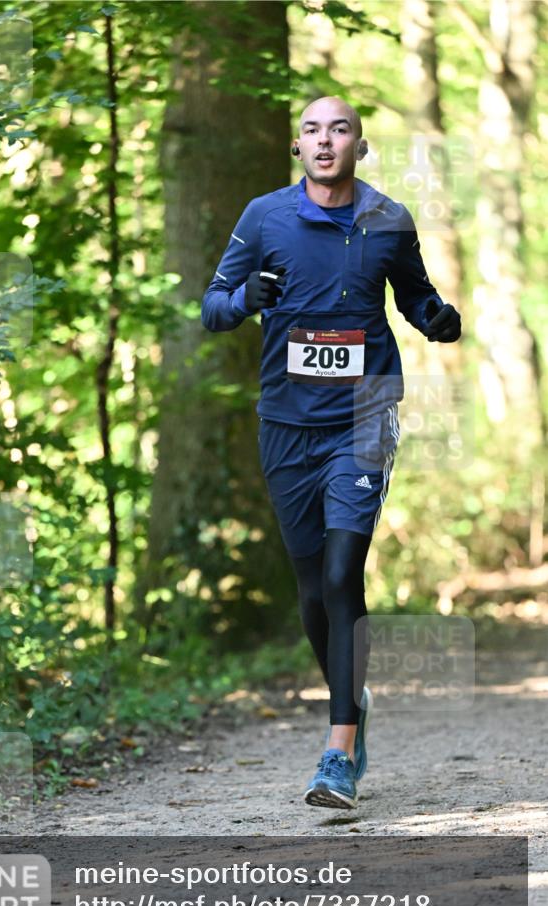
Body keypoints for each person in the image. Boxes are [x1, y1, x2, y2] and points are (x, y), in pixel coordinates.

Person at [201, 96, 461, 809]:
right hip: (287, 422)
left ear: (359, 146)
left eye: (339, 129)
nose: (325, 140)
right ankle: (354, 698)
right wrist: (246, 297)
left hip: (363, 414)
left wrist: (437, 320)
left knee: (344, 572)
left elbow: (416, 298)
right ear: (297, 147)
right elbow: (212, 306)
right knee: (314, 586)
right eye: (312, 130)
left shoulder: (388, 219)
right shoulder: (264, 218)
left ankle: (337, 751)